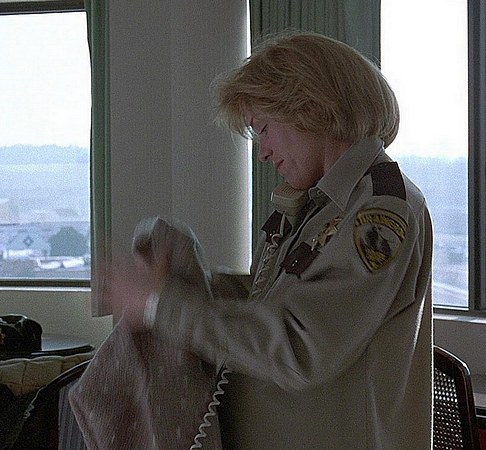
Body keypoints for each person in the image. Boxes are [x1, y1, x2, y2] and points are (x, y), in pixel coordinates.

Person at [104, 31, 434, 449]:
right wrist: (188, 280)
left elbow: (299, 348)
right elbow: (274, 301)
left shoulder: (380, 212)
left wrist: (161, 305)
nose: (262, 152)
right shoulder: (316, 205)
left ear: (310, 108)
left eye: (264, 128)